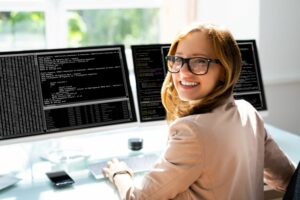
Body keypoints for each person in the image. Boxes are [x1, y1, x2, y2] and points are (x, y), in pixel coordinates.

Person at [102, 22, 295, 200]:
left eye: (200, 61)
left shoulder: (192, 131)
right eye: (178, 60)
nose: (183, 72)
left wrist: (120, 173)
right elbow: (288, 179)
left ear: (225, 71)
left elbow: (139, 197)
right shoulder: (248, 111)